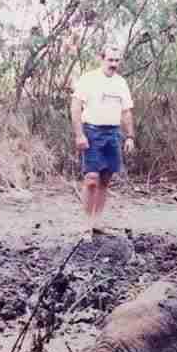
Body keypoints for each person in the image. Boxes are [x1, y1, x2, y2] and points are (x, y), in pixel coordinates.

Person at [70, 45, 135, 235]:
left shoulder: (121, 83)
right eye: (110, 60)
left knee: (106, 179)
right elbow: (75, 107)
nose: (114, 64)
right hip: (92, 132)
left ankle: (96, 222)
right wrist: (79, 134)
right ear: (102, 58)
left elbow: (126, 111)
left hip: (113, 134)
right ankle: (85, 225)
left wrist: (130, 136)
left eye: (117, 60)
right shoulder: (89, 79)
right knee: (91, 179)